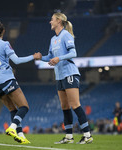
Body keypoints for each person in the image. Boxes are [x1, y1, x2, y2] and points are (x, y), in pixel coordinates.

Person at [0, 19, 41, 144]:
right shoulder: (4, 44)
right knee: (24, 107)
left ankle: (20, 135)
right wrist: (34, 56)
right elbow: (16, 61)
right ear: (3, 31)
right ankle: (12, 127)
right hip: (6, 79)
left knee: (13, 109)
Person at [38, 12, 93, 144]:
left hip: (70, 73)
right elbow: (50, 57)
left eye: (52, 20)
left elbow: (73, 53)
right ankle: (69, 137)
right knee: (64, 106)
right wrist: (40, 57)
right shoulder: (53, 39)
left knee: (75, 104)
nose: (50, 22)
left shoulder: (66, 35)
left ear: (58, 21)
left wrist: (59, 58)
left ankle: (87, 135)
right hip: (60, 75)